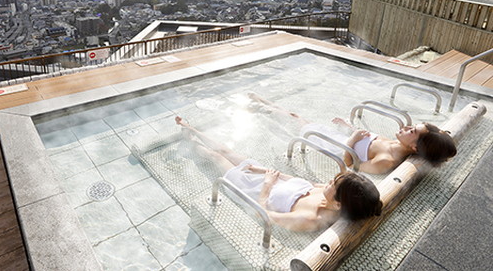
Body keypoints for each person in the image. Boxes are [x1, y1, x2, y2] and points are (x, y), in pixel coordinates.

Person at [175, 116, 383, 232]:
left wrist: (266, 184)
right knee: (227, 151)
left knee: (215, 156)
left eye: (333, 183)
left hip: (254, 191)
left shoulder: (310, 218)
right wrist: (265, 171)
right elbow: (297, 181)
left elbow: (262, 215)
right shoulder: (330, 194)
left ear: (338, 204)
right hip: (269, 177)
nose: (328, 182)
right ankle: (191, 128)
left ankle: (191, 143)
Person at [248, 93, 457, 174]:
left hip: (330, 145)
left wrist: (351, 139)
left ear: (414, 147)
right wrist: (349, 127)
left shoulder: (387, 160)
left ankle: (257, 109)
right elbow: (368, 140)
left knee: (289, 121)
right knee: (294, 116)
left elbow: (349, 166)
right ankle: (263, 103)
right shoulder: (395, 143)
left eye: (412, 131)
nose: (406, 127)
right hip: (340, 138)